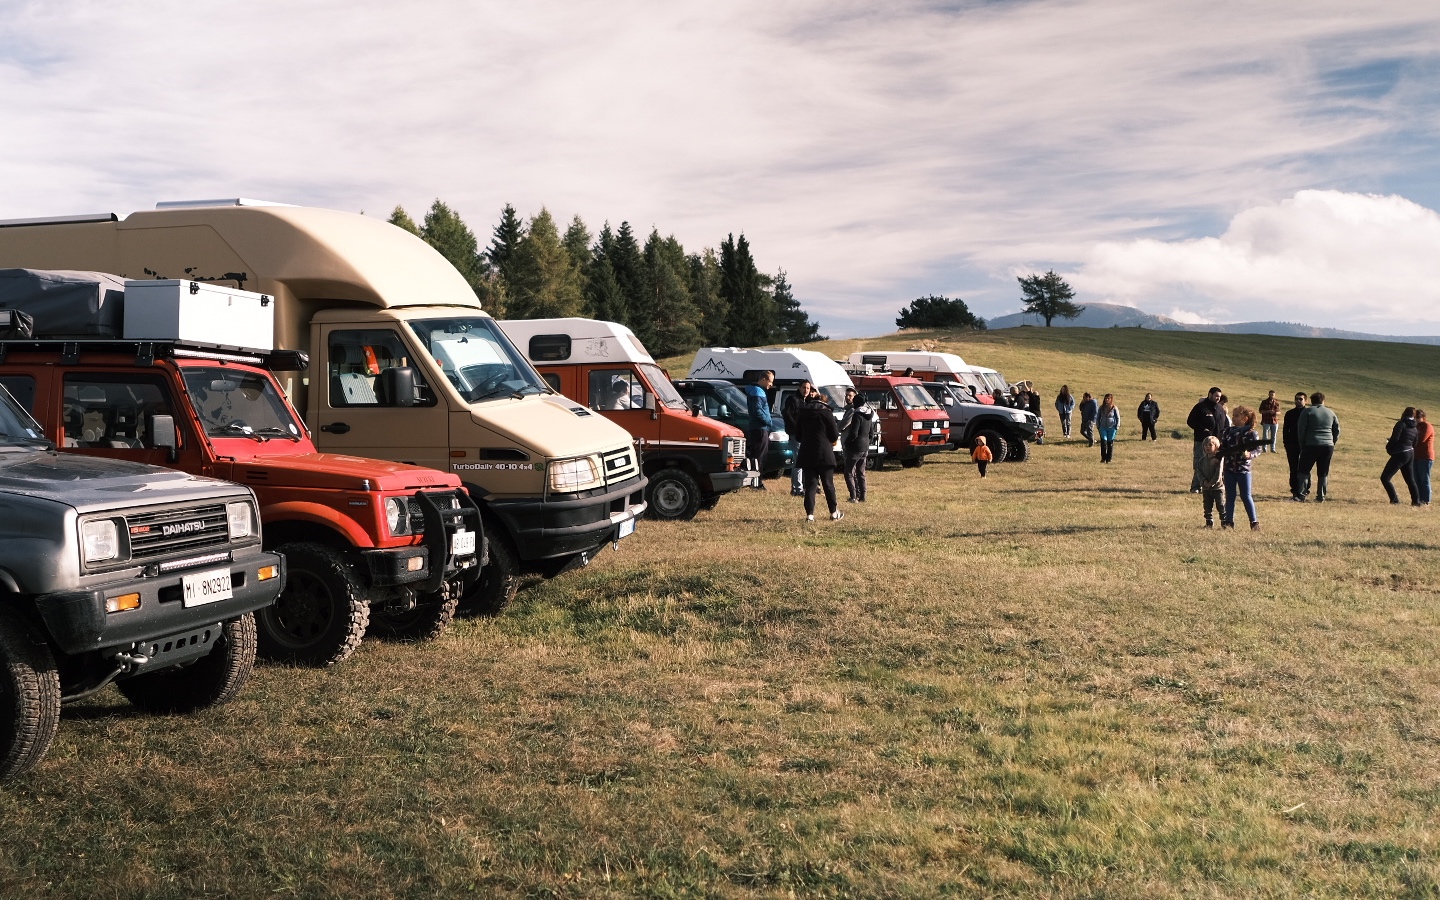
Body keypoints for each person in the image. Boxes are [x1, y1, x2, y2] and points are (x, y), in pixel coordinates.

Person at [794, 383, 842, 521]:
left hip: (807, 452)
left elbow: (797, 436)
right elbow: (834, 435)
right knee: (828, 484)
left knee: (810, 485)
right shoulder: (826, 412)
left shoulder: (802, 412)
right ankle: (833, 513)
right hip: (824, 453)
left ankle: (810, 515)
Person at [1220, 405, 1262, 530]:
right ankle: (1228, 522)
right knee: (1230, 496)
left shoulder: (1251, 433)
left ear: (1245, 418)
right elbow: (1223, 447)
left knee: (1246, 495)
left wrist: (1249, 454)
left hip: (1244, 471)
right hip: (1229, 470)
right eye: (1233, 415)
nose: (1233, 418)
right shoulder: (1228, 431)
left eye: (1236, 416)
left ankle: (1254, 522)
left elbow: (1258, 449)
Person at [1298, 392, 1340, 502]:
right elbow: (1337, 430)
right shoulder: (1331, 412)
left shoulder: (1307, 411)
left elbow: (1301, 429)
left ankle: (1301, 494)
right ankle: (1321, 496)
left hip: (1311, 444)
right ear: (1323, 401)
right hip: (1327, 445)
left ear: (1311, 401)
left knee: (1304, 470)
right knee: (1323, 471)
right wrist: (1332, 441)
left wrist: (1302, 443)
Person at [839, 387, 876, 502]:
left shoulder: (857, 414)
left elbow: (854, 433)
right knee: (861, 472)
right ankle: (863, 496)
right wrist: (867, 443)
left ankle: (853, 496)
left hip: (855, 447)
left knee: (848, 472)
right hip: (865, 447)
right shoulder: (869, 414)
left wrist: (847, 443)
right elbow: (871, 433)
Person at [1187, 386, 1225, 492]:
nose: (1218, 398)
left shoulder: (1220, 409)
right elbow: (1190, 421)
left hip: (1217, 442)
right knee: (1200, 463)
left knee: (1216, 464)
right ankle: (1196, 487)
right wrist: (1202, 429)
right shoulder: (1200, 407)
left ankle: (1214, 487)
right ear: (1210, 394)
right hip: (1202, 441)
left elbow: (1224, 424)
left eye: (1219, 397)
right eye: (1216, 396)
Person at [741, 370, 775, 490]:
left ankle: (755, 481)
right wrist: (768, 421)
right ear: (763, 379)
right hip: (760, 427)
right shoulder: (757, 391)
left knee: (757, 455)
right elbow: (757, 410)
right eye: (770, 382)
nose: (771, 385)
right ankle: (756, 483)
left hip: (758, 427)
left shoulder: (756, 390)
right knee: (759, 457)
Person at [1380, 406, 1420, 506]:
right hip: (1410, 453)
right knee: (1410, 480)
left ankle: (1395, 500)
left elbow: (1395, 438)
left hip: (1400, 453)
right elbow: (1415, 443)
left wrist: (1389, 448)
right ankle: (1416, 501)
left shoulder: (1401, 424)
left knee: (1385, 478)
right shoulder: (1415, 427)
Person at [1282, 392, 1308, 501]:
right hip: (1292, 444)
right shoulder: (1290, 413)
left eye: (1300, 399)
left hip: (1306, 445)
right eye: (1296, 399)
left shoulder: (1308, 413)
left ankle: (1305, 489)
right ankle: (1294, 490)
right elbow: (1285, 429)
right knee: (1293, 468)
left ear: (1305, 401)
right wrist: (1286, 442)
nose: (1298, 401)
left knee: (1305, 468)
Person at [782, 383, 807, 496]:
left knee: (799, 461)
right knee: (799, 461)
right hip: (795, 434)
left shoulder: (806, 401)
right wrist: (797, 427)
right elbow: (787, 414)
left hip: (804, 435)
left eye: (808, 388)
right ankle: (798, 488)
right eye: (804, 387)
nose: (805, 390)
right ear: (799, 388)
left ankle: (796, 487)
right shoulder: (793, 399)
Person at [1198, 435, 1224, 527]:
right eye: (1205, 445)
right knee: (1207, 506)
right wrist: (1204, 482)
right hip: (1206, 488)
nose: (1207, 447)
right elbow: (1199, 472)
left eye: (1210, 445)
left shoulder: (1218, 460)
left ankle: (1224, 522)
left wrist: (1211, 483)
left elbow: (1218, 474)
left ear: (1216, 447)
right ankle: (1209, 521)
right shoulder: (1201, 460)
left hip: (1218, 488)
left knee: (1220, 505)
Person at [1413, 408, 1433, 507]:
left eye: (1418, 417)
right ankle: (1419, 499)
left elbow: (1421, 439)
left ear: (1423, 418)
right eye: (1414, 417)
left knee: (1424, 479)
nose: (1416, 419)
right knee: (1416, 479)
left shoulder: (1427, 426)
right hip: (1415, 456)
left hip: (1425, 456)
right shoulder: (1415, 426)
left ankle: (1426, 500)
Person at [1096, 393, 1120, 463]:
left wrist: (1117, 426)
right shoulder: (1101, 407)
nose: (1107, 400)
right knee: (1103, 442)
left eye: (1108, 398)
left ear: (1111, 399)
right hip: (1103, 427)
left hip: (1112, 428)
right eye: (1106, 398)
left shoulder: (1114, 408)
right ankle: (1103, 458)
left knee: (1110, 443)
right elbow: (1098, 417)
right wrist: (1098, 425)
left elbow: (1117, 417)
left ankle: (1109, 459)